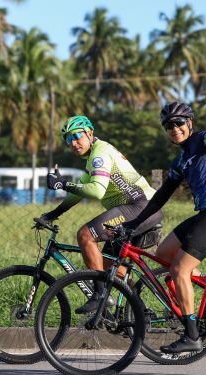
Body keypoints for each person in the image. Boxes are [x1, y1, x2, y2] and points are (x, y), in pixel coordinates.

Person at [120, 100, 206, 354]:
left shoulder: (204, 139)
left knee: (179, 269)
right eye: (168, 125)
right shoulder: (181, 159)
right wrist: (133, 223)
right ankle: (199, 297)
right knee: (163, 254)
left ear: (190, 123)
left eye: (179, 123)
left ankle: (192, 334)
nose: (174, 129)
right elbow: (161, 196)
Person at [40, 115, 163, 314]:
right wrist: (53, 214)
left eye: (77, 136)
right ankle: (140, 311)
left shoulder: (100, 153)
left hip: (140, 207)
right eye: (68, 139)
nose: (73, 143)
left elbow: (96, 190)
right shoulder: (93, 158)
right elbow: (78, 194)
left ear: (90, 133)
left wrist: (62, 183)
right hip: (139, 209)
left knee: (85, 235)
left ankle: (99, 296)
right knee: (106, 263)